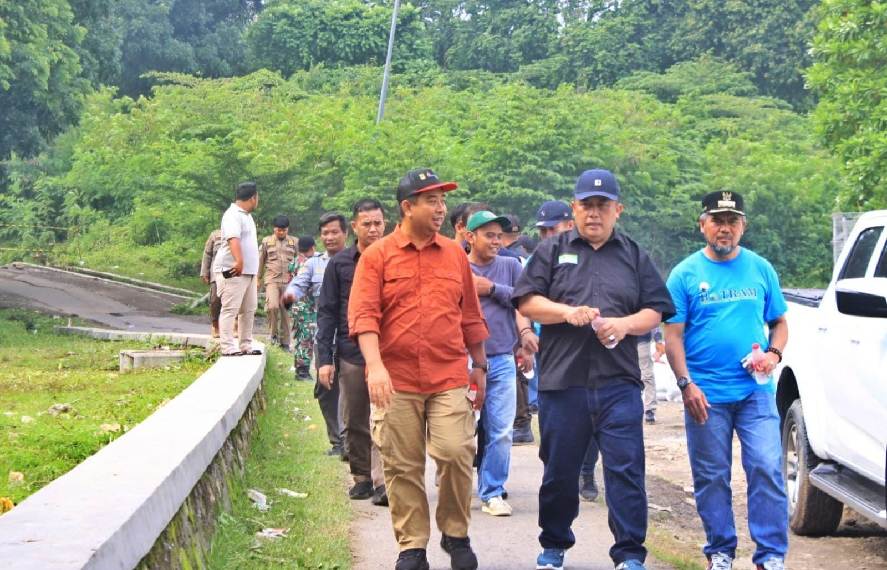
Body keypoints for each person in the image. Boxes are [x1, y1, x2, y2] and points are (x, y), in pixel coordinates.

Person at [513, 169, 675, 570]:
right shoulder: (551, 252)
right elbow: (526, 302)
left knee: (625, 468)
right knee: (560, 470)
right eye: (586, 205)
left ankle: (629, 555)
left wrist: (624, 325)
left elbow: (656, 310)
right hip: (563, 382)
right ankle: (554, 546)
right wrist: (567, 313)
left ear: (618, 210)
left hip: (618, 382)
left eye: (603, 206)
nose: (594, 213)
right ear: (574, 208)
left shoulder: (634, 254)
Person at [349, 168, 488, 570]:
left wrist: (479, 364)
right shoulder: (376, 257)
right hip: (395, 380)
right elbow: (364, 317)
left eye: (443, 201)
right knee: (402, 463)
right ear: (407, 207)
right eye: (432, 200)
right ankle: (412, 545)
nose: (441, 208)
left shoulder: (454, 255)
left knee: (456, 451)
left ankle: (455, 532)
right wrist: (375, 368)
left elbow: (470, 316)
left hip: (447, 375)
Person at [664, 191, 789, 570]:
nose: (725, 229)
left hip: (755, 392)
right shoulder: (684, 274)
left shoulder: (761, 268)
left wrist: (773, 355)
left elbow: (779, 323)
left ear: (743, 227)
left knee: (767, 467)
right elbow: (672, 337)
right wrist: (686, 385)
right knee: (712, 475)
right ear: (702, 225)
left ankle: (770, 555)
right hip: (706, 395)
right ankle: (720, 550)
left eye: (732, 222)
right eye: (717, 221)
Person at [316, 198, 389, 506]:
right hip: (351, 350)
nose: (373, 229)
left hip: (388, 350)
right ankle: (361, 475)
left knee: (386, 416)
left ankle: (384, 480)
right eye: (366, 223)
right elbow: (327, 312)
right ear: (355, 226)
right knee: (356, 416)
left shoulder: (394, 257)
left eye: (378, 223)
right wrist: (324, 360)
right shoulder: (340, 264)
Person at [465, 210, 536, 517]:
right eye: (489, 235)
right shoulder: (457, 266)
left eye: (499, 236)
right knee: (460, 429)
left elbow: (524, 301)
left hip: (503, 358)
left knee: (501, 429)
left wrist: (491, 289)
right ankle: (454, 481)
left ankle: (492, 491)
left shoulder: (510, 266)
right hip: (464, 360)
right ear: (470, 237)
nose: (496, 241)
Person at [284, 213, 348, 457]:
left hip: (351, 336)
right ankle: (338, 441)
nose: (329, 237)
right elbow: (299, 283)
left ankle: (353, 440)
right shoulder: (314, 263)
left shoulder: (357, 259)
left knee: (352, 389)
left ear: (346, 233)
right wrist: (290, 294)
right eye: (325, 233)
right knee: (326, 389)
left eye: (334, 232)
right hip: (325, 336)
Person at [513, 200, 576, 445]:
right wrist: (526, 332)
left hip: (576, 343)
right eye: (543, 231)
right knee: (549, 405)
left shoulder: (584, 258)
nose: (547, 236)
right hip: (543, 342)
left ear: (570, 226)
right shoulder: (533, 262)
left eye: (553, 229)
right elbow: (521, 302)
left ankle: (586, 471)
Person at [213, 182, 263, 357]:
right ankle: (227, 346)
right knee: (230, 308)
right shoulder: (232, 214)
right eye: (258, 197)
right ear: (253, 197)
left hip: (248, 272)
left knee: (249, 309)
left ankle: (245, 345)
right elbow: (233, 239)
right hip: (233, 269)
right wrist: (239, 261)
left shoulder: (247, 216)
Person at [258, 215, 297, 350]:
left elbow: (300, 261)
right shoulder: (266, 242)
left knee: (286, 312)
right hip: (272, 280)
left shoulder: (294, 242)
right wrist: (258, 278)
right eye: (278, 230)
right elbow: (261, 260)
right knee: (272, 306)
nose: (281, 232)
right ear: (274, 229)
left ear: (287, 229)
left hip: (289, 281)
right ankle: (273, 335)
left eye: (284, 230)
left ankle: (285, 342)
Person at [290, 236, 316, 379]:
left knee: (300, 337)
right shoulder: (310, 263)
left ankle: (299, 367)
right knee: (307, 338)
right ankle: (302, 371)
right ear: (312, 247)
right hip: (307, 306)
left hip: (296, 306)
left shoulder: (294, 262)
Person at [199, 228, 223, 337]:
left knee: (233, 301)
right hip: (216, 273)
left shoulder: (239, 233)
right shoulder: (215, 235)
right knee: (215, 300)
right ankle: (215, 325)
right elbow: (207, 254)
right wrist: (205, 272)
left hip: (233, 273)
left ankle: (234, 326)